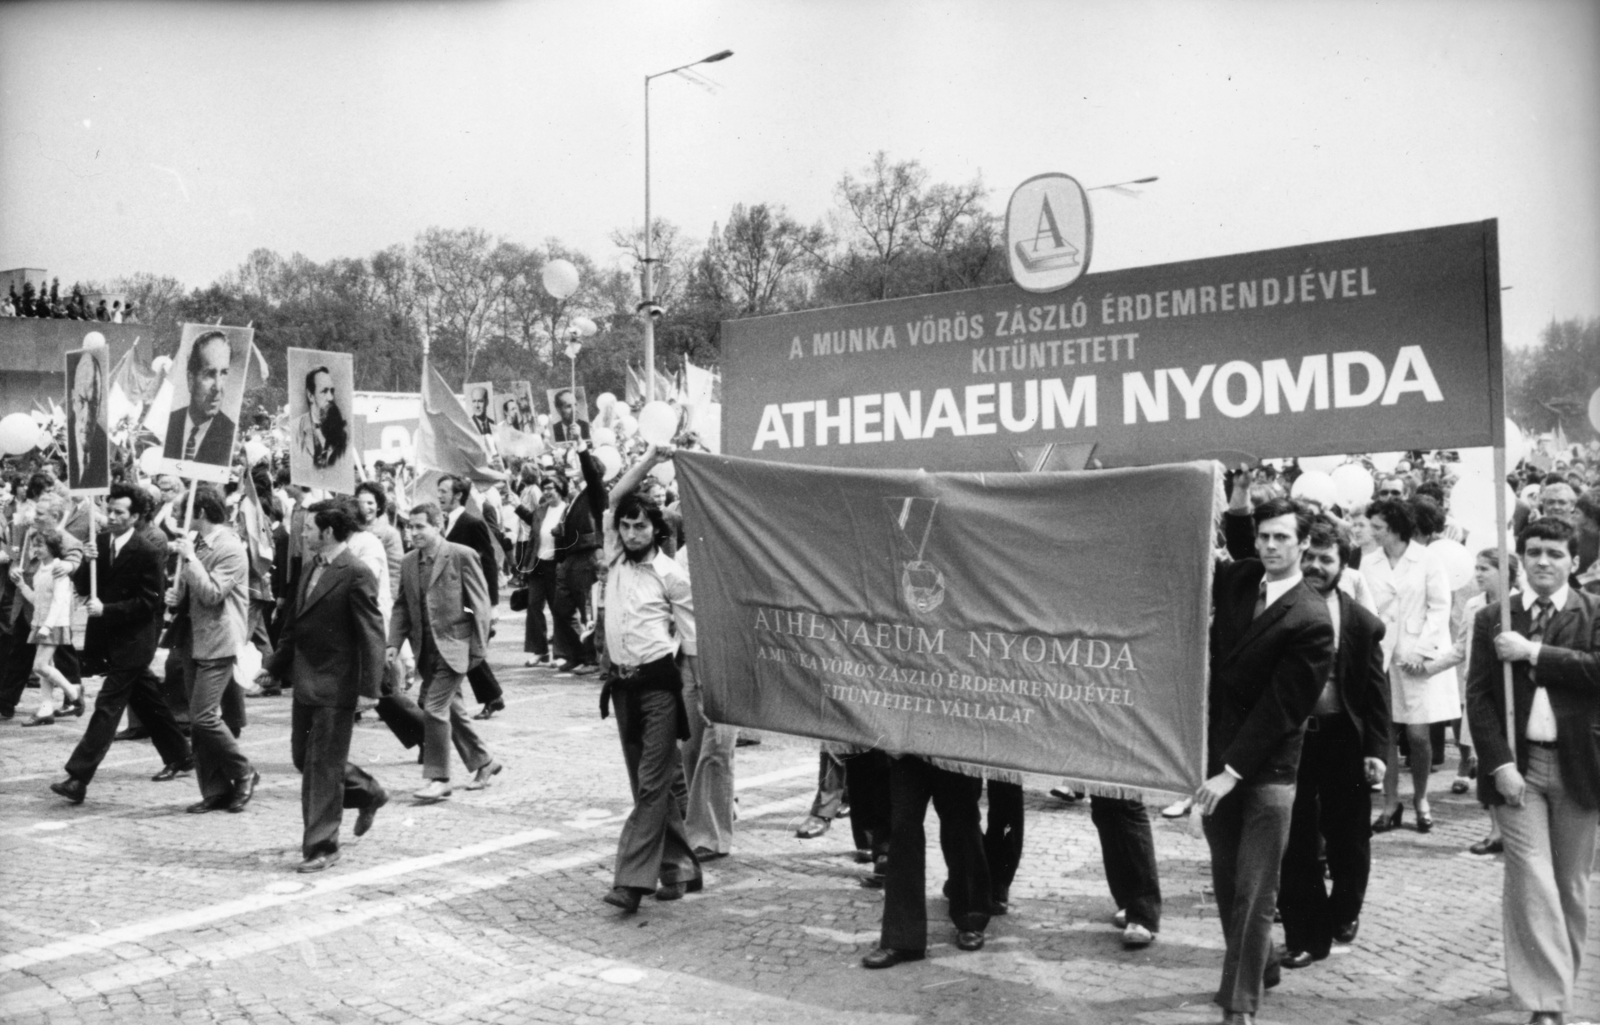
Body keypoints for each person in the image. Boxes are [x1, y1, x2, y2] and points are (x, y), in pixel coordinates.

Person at [1196, 492, 1334, 1025]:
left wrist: (1231, 773)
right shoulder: (1239, 579)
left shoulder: (1312, 618)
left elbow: (1281, 709)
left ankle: (1239, 1003)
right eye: (1265, 536)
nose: (1272, 546)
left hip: (1266, 772)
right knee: (1228, 881)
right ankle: (1263, 965)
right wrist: (1238, 500)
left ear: (1303, 545)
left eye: (1283, 538)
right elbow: (1232, 539)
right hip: (1217, 761)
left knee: (1256, 890)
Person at [1466, 518, 1600, 1025]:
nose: (1544, 561)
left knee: (1569, 886)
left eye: (1555, 553)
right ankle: (1545, 1004)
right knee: (1531, 881)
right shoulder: (1495, 618)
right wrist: (1499, 764)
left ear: (1575, 562)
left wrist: (1535, 652)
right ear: (1522, 557)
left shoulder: (1593, 611)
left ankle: (1557, 991)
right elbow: (1479, 696)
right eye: (1535, 551)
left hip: (1579, 765)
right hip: (1518, 771)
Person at [1273, 518, 1390, 969]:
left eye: (1327, 559)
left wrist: (1376, 750)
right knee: (1295, 838)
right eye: (1311, 557)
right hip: (1292, 739)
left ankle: (1346, 912)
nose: (1317, 566)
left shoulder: (1361, 622)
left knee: (1349, 836)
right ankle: (1306, 935)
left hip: (1343, 737)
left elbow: (1376, 690)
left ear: (1343, 566)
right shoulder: (1279, 609)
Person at [598, 445, 702, 913]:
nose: (632, 531)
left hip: (660, 688)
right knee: (647, 783)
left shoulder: (671, 576)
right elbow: (616, 493)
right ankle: (681, 866)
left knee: (652, 784)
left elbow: (692, 637)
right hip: (621, 688)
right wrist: (649, 457)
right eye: (626, 524)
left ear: (657, 530)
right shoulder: (616, 558)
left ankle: (630, 881)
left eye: (642, 525)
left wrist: (698, 693)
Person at [264, 500, 389, 873]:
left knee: (321, 768)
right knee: (305, 759)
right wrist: (273, 667)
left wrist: (369, 688)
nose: (302, 532)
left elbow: (372, 634)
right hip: (305, 681)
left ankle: (322, 846)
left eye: (309, 528)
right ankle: (369, 792)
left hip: (337, 685)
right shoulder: (310, 568)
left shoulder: (356, 572)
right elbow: (294, 626)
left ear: (328, 531)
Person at [51, 485, 193, 803]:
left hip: (136, 639)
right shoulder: (100, 543)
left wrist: (109, 610)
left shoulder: (147, 550)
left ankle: (78, 777)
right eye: (110, 510)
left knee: (107, 706)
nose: (112, 517)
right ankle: (181, 755)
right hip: (109, 639)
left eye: (120, 513)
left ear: (136, 516)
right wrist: (85, 565)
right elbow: (87, 587)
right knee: (148, 702)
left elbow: (150, 602)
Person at [388, 502, 503, 802]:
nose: (412, 533)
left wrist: (476, 649)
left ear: (438, 525)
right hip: (426, 650)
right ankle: (485, 761)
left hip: (456, 647)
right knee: (453, 709)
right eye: (409, 526)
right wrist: (393, 643)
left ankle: (439, 778)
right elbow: (402, 605)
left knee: (434, 709)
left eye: (419, 526)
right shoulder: (410, 561)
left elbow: (478, 606)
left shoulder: (461, 555)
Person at [1364, 497, 1455, 833]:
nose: (1372, 533)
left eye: (1378, 528)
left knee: (1418, 735)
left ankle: (1421, 798)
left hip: (1417, 657)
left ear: (1396, 529)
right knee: (1383, 732)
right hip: (1381, 657)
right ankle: (1390, 803)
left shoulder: (1428, 559)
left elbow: (1440, 607)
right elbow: (1366, 606)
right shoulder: (1368, 562)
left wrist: (1422, 650)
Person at [169, 485, 258, 814]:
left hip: (220, 639)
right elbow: (191, 593)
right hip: (195, 638)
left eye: (184, 513)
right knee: (198, 721)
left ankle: (243, 769)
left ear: (202, 512)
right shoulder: (199, 545)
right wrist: (176, 595)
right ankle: (216, 789)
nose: (179, 519)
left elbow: (212, 594)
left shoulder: (230, 548)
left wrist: (190, 559)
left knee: (204, 716)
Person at [436, 476, 506, 718]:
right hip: (448, 599)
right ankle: (491, 696)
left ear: (458, 495)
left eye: (444, 491)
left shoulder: (472, 523)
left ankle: (489, 696)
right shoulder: (441, 523)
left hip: (468, 602)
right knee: (462, 648)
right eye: (439, 491)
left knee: (465, 647)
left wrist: (492, 604)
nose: (439, 495)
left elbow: (488, 564)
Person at [16, 530, 83, 725]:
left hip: (53, 624)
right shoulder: (40, 570)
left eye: (40, 545)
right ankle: (46, 708)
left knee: (40, 666)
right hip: (41, 623)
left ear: (52, 548)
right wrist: (21, 586)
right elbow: (37, 600)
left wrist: (47, 626)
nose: (35, 549)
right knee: (47, 667)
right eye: (34, 545)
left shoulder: (57, 569)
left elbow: (59, 602)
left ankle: (73, 693)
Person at [162, 331, 237, 466]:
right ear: (191, 380)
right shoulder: (167, 424)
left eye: (224, 373)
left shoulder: (230, 434)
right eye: (209, 374)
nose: (218, 386)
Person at [514, 474, 565, 668]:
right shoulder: (541, 510)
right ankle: (540, 651)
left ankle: (561, 652)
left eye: (551, 488)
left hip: (556, 565)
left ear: (560, 489)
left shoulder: (567, 510)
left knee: (557, 608)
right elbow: (533, 538)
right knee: (534, 607)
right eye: (545, 488)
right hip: (538, 565)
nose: (547, 492)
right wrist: (525, 566)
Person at [293, 365, 349, 470]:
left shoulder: (342, 432)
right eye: (324, 391)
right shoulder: (295, 428)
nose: (331, 398)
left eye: (332, 391)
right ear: (310, 396)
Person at [67, 352, 109, 491]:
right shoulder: (65, 445)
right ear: (73, 400)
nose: (87, 417)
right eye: (81, 401)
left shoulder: (104, 447)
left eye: (94, 404)